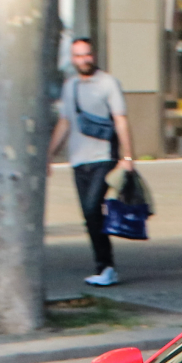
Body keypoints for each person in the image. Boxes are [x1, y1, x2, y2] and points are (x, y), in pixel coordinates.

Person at [52, 37, 133, 289]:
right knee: (90, 216)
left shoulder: (108, 83)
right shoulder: (70, 86)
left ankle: (106, 267)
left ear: (93, 55)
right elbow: (65, 122)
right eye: (77, 56)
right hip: (78, 160)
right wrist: (49, 155)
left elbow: (120, 120)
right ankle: (104, 266)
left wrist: (128, 157)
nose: (83, 60)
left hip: (103, 157)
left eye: (86, 54)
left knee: (91, 209)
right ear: (72, 59)